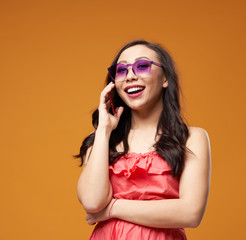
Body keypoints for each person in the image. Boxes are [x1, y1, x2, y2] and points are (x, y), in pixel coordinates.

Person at [75, 40, 211, 239]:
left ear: (165, 78)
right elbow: (92, 202)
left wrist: (112, 208)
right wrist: (104, 129)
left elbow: (190, 213)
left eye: (142, 66)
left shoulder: (191, 138)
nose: (130, 76)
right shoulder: (101, 141)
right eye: (121, 71)